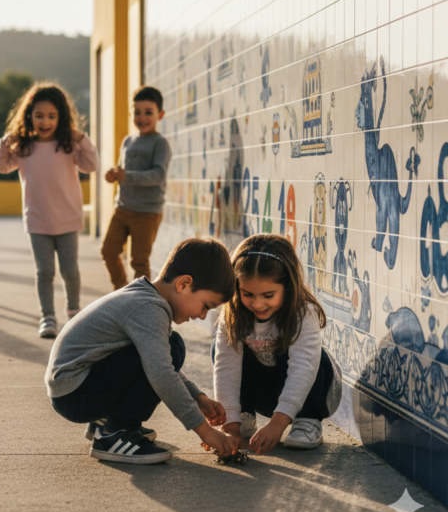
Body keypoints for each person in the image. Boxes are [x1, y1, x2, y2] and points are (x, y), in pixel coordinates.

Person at [46, 237, 237, 464]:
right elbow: (161, 373)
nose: (203, 315)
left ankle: (107, 421)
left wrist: (198, 397)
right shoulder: (149, 308)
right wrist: (205, 431)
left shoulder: (144, 296)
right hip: (76, 394)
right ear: (184, 284)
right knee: (174, 347)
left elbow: (157, 361)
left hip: (75, 390)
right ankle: (114, 434)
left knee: (170, 346)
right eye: (206, 305)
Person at [213, 234, 342, 453]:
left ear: (288, 287)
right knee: (224, 351)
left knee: (314, 358)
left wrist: (277, 424)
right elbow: (226, 369)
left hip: (316, 394)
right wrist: (230, 427)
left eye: (268, 295)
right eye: (247, 294)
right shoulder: (233, 315)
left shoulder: (303, 313)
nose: (258, 303)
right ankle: (243, 415)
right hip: (267, 397)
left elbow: (303, 369)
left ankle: (307, 420)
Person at [0, 83, 98, 338]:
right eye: (39, 115)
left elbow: (91, 165)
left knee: (70, 270)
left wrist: (81, 138)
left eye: (52, 116)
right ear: (29, 115)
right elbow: (1, 165)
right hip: (37, 219)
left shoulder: (68, 145)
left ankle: (74, 314)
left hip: (67, 219)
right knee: (44, 272)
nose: (45, 121)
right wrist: (6, 140)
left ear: (61, 117)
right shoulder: (23, 147)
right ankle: (47, 317)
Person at [101, 85, 172, 290]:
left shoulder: (160, 144)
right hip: (122, 208)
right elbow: (124, 171)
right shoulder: (128, 141)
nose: (142, 118)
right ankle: (122, 291)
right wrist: (114, 174)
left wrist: (127, 176)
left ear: (160, 114)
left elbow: (158, 176)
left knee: (139, 262)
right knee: (108, 250)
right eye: (137, 112)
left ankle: (142, 303)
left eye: (148, 113)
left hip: (147, 212)